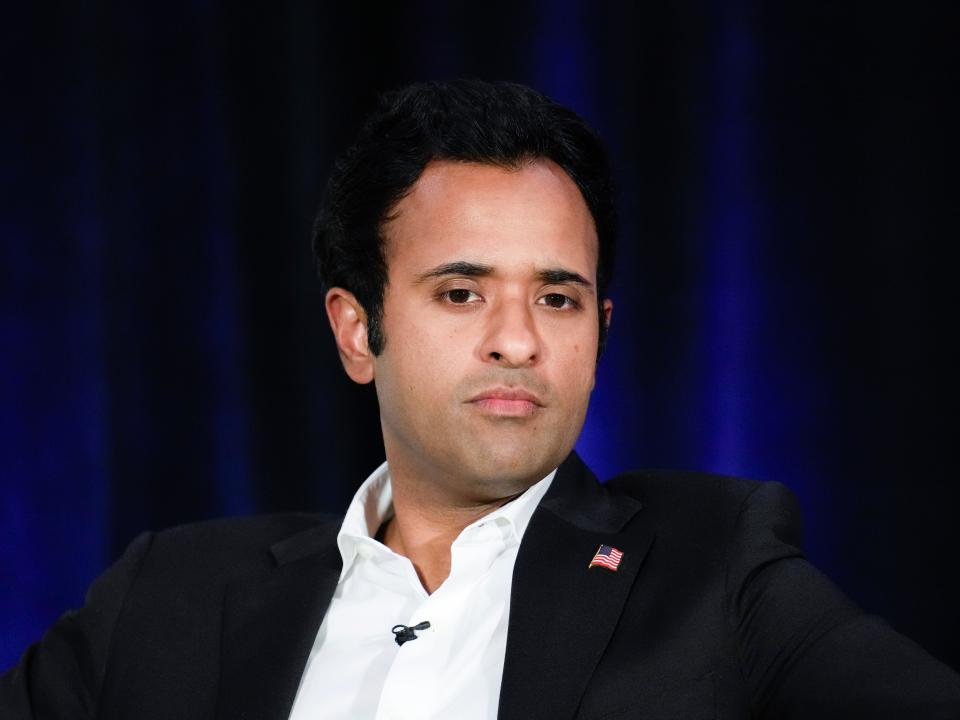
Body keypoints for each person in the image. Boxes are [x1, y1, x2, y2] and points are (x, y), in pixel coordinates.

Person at [2, 79, 959, 720]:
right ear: (355, 330)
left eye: (557, 296)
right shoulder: (168, 595)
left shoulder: (717, 566)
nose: (518, 337)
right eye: (462, 294)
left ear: (601, 331)